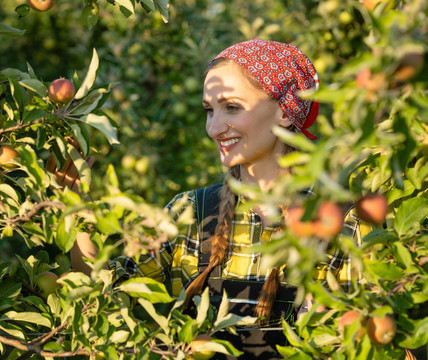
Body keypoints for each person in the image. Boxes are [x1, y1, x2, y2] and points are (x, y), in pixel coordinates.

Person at [66, 38, 372, 359]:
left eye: (232, 107)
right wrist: (73, 207)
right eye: (209, 110)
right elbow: (105, 293)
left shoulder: (343, 221)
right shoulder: (192, 214)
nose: (213, 128)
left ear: (284, 112)